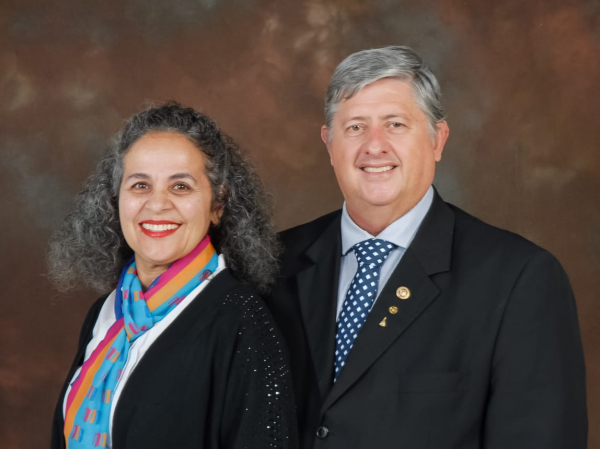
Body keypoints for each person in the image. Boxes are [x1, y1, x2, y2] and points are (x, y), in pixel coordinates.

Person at [267, 46, 587, 448]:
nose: (375, 146)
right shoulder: (271, 263)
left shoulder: (518, 279)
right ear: (329, 143)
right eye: (355, 127)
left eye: (396, 124)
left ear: (438, 139)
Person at [48, 102, 297, 449]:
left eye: (180, 187)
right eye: (140, 185)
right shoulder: (105, 314)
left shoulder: (242, 322)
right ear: (115, 199)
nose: (157, 204)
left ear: (218, 204)